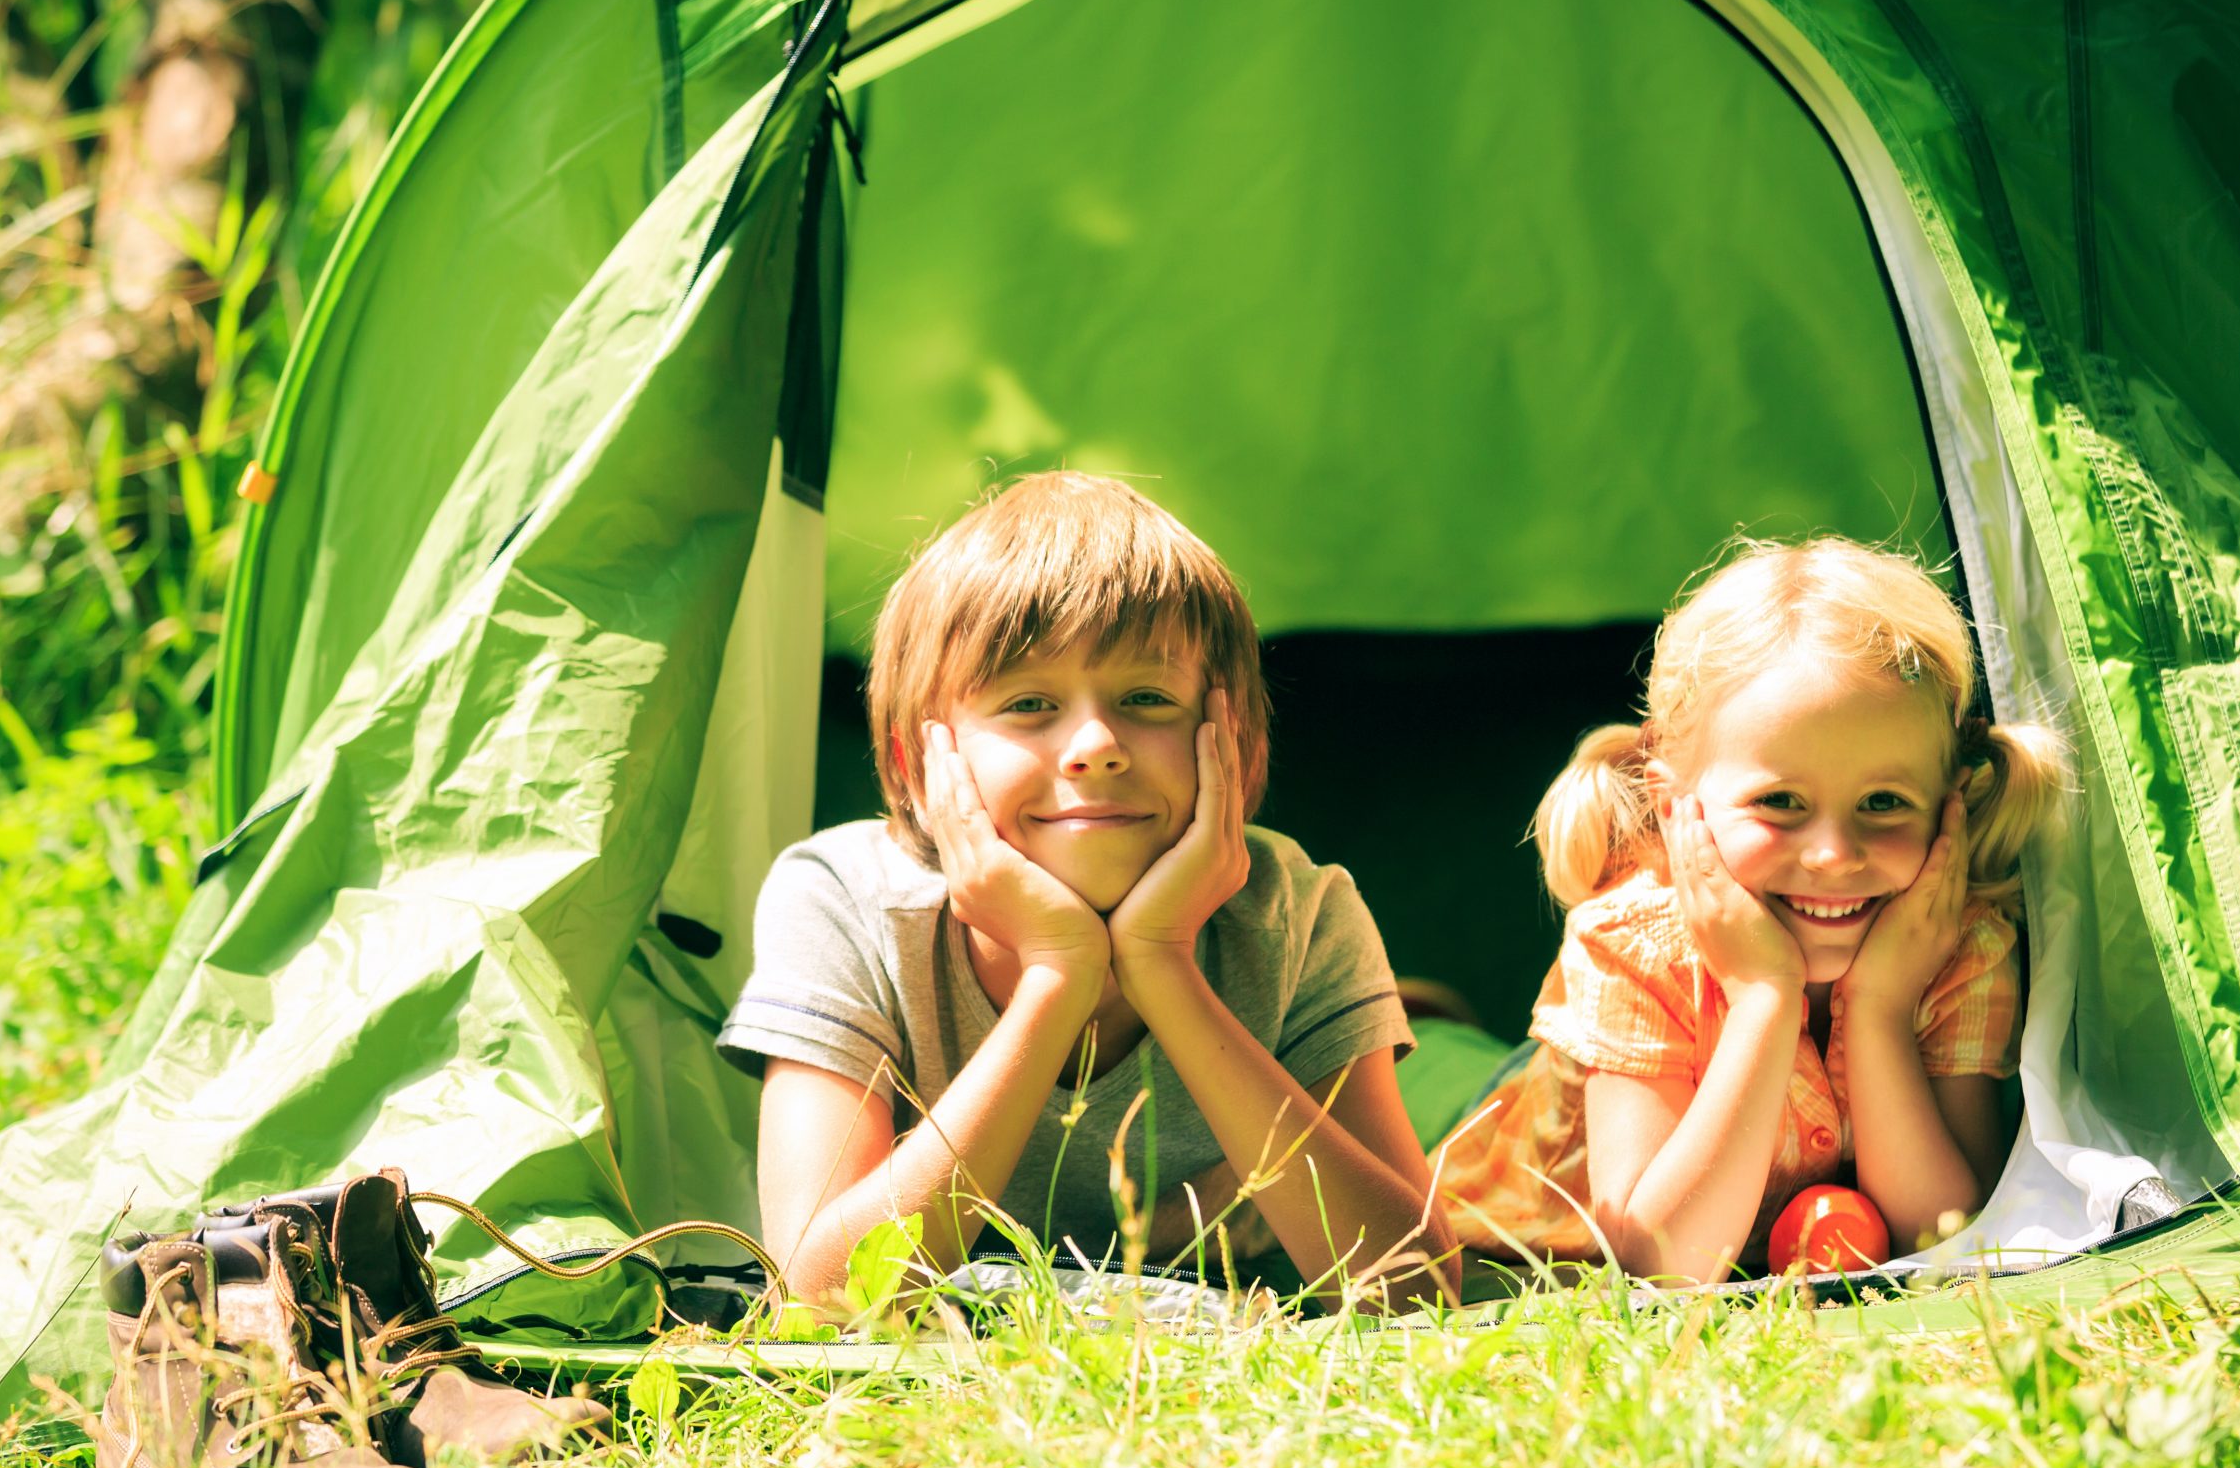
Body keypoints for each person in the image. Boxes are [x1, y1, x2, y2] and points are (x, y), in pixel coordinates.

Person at [726, 473, 1459, 1309]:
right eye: (1029, 703)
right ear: (917, 770)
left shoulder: (1297, 909)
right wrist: (1056, 978)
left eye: (1146, 698)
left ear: (1241, 749)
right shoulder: (839, 899)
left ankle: (1438, 1029)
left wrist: (1163, 966)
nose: (1096, 746)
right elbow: (822, 1295)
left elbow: (1415, 1288)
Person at [1429, 538, 2065, 1284]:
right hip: (1486, 1135)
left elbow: (1948, 1231)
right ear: (1675, 807)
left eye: (1883, 803)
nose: (1834, 855)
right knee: (1420, 1065)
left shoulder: (1955, 942)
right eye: (1781, 802)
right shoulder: (1633, 943)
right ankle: (1431, 1015)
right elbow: (1660, 1262)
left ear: (1949, 804)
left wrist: (1879, 1010)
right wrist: (1765, 996)